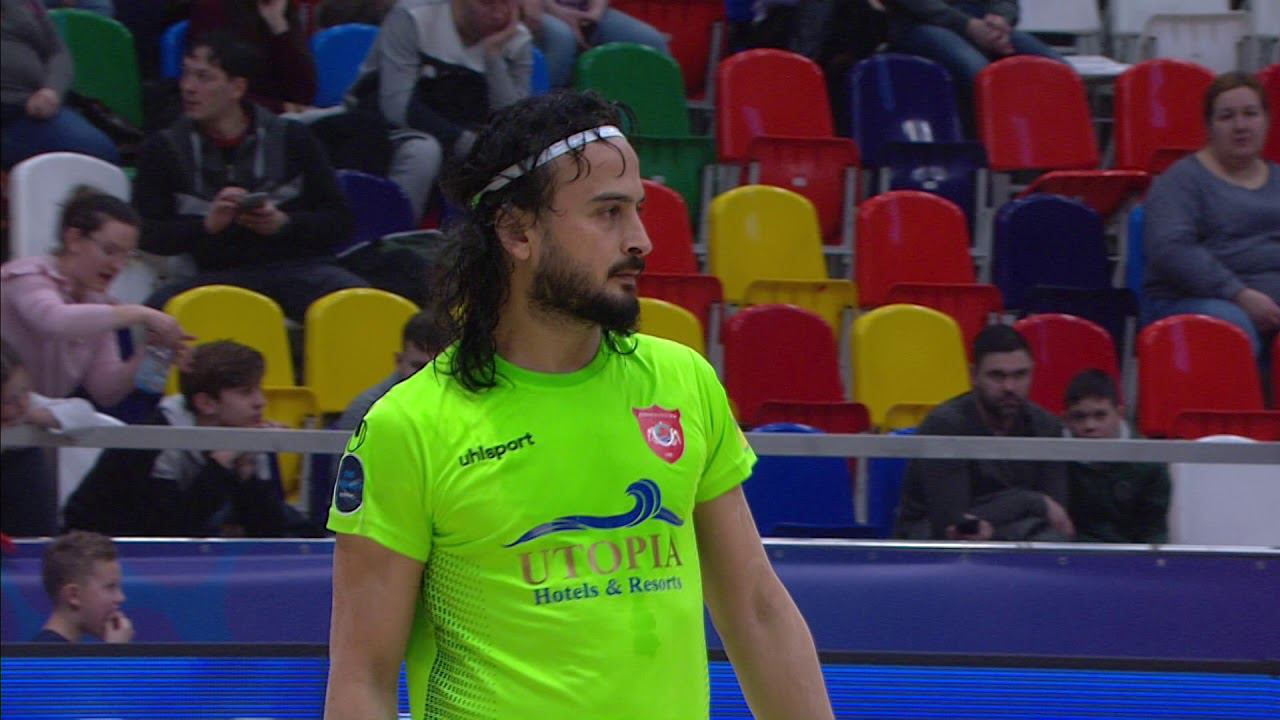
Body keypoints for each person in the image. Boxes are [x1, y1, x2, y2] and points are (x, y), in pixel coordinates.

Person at [324, 90, 833, 719]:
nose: (641, 240)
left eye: (638, 211)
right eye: (609, 212)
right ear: (517, 231)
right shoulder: (409, 426)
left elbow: (756, 610)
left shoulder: (683, 381)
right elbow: (362, 680)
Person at [134, 31, 365, 322]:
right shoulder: (163, 149)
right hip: (212, 276)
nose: (188, 88)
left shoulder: (292, 138)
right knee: (159, 312)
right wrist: (205, 226)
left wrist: (284, 223)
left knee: (357, 303)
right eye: (186, 75)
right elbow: (147, 234)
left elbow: (340, 222)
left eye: (204, 77)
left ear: (237, 87)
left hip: (295, 268)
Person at [63, 340, 297, 537]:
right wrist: (220, 463)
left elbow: (271, 534)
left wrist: (245, 472)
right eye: (246, 393)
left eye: (259, 390)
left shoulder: (244, 434)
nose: (261, 402)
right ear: (206, 403)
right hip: (99, 548)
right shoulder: (157, 440)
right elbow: (170, 532)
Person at [0, 188, 191, 409]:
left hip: (35, 418)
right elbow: (55, 321)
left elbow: (105, 390)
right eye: (109, 251)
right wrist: (141, 313)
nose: (118, 266)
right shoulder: (26, 276)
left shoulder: (98, 304)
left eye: (127, 256)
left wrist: (151, 352)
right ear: (73, 239)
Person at [347, 0, 534, 219]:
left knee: (519, 159)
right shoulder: (413, 16)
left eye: (508, 3)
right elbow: (396, 105)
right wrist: (465, 142)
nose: (499, 14)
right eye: (487, 3)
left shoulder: (516, 40)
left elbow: (512, 119)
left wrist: (492, 56)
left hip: (462, 128)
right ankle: (397, 230)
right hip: (385, 123)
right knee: (425, 152)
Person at [1142, 71, 1280, 361]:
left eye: (1250, 114)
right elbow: (1172, 251)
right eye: (1227, 117)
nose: (1240, 126)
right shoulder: (1181, 181)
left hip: (1269, 301)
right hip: (1194, 300)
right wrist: (1239, 294)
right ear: (1209, 126)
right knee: (1233, 326)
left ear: (1266, 121)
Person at [895, 324, 1075, 542]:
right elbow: (953, 524)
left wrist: (1025, 507)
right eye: (997, 376)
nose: (1009, 387)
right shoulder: (944, 426)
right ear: (973, 375)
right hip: (934, 538)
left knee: (1051, 540)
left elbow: (1056, 517)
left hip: (1019, 534)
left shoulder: (1047, 427)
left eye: (1020, 375)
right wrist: (1032, 502)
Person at [884, 0, 1064, 131]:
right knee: (981, 74)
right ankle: (998, 152)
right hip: (919, 22)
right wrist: (967, 26)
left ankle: (1058, 156)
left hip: (981, 21)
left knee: (1059, 71)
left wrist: (1000, 19)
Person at [0, 0, 120, 170]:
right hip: (7, 111)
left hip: (34, 109)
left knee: (100, 154)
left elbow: (58, 52)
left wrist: (52, 91)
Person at [1, 340, 102, 537]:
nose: (21, 403)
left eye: (25, 390)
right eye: (8, 401)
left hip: (31, 516)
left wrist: (40, 417)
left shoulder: (31, 406)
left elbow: (84, 413)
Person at [1062, 369, 1170, 544]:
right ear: (1066, 419)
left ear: (1119, 414)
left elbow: (1154, 533)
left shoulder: (1150, 464)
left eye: (1100, 415)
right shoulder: (1053, 459)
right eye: (1079, 417)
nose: (1090, 426)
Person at [189, 0, 318, 114]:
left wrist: (278, 25)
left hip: (281, 118)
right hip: (236, 118)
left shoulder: (282, 8)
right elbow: (215, 90)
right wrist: (281, 108)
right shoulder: (212, 9)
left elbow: (304, 93)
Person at [335, 310, 449, 430]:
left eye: (438, 368)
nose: (427, 376)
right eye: (418, 367)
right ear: (399, 361)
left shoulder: (462, 404)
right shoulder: (364, 412)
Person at [532, 0, 669, 88]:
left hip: (586, 11)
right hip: (539, 9)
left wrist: (594, 15)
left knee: (651, 41)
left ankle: (663, 112)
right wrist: (560, 13)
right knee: (562, 38)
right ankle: (542, 112)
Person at [31, 530, 133, 643]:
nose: (121, 598)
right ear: (73, 595)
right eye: (110, 587)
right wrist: (116, 650)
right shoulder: (45, 653)